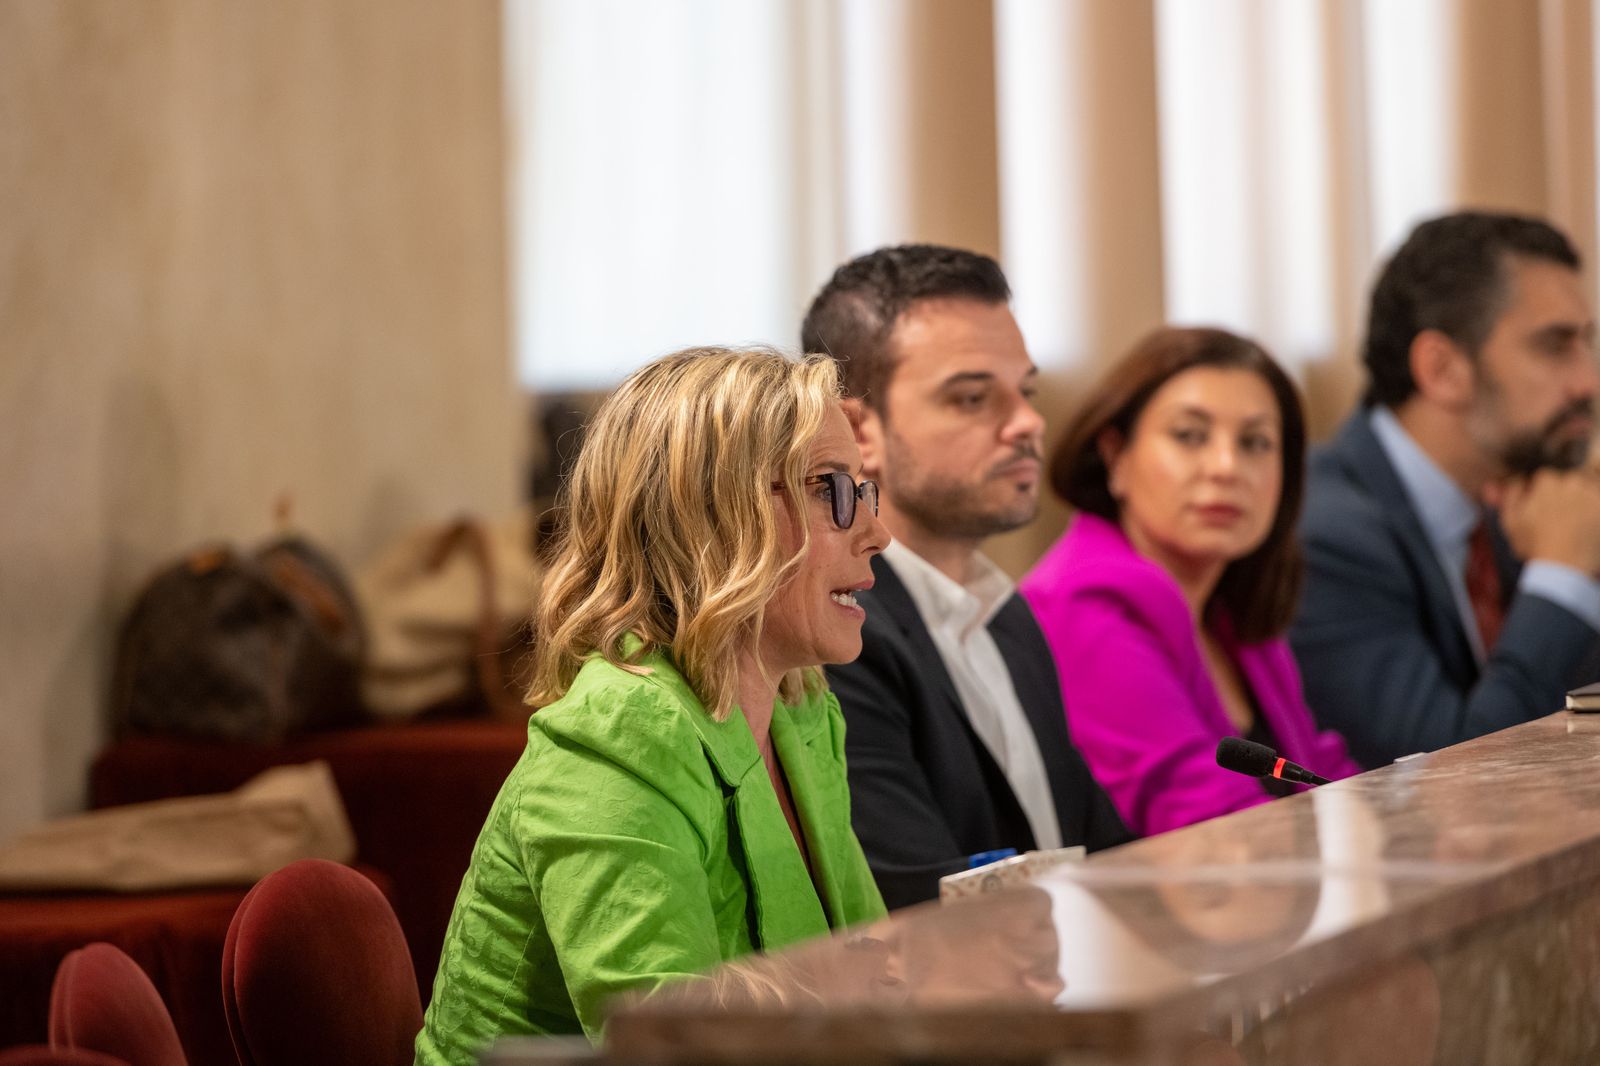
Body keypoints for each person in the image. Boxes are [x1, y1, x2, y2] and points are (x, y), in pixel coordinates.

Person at [415, 348, 890, 1062]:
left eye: (863, 490)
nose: (877, 533)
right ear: (709, 518)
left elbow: (877, 980)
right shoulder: (613, 742)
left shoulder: (803, 712)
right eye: (830, 489)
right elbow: (675, 1049)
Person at [803, 243, 1130, 910]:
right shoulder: (840, 639)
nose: (1029, 422)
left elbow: (1105, 856)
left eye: (1026, 391)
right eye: (973, 397)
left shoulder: (1007, 615)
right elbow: (920, 905)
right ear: (858, 432)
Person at [1020, 327, 1360, 836]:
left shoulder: (1230, 612)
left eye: (1255, 443)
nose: (1226, 467)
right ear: (1116, 456)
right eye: (1190, 436)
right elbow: (1207, 824)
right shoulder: (1082, 605)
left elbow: (1324, 774)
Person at [1291, 211, 1600, 768]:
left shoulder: (1516, 504)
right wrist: (1561, 574)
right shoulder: (1325, 538)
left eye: (1586, 344)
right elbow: (1448, 777)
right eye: (1555, 346)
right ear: (1442, 369)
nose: (1589, 381)